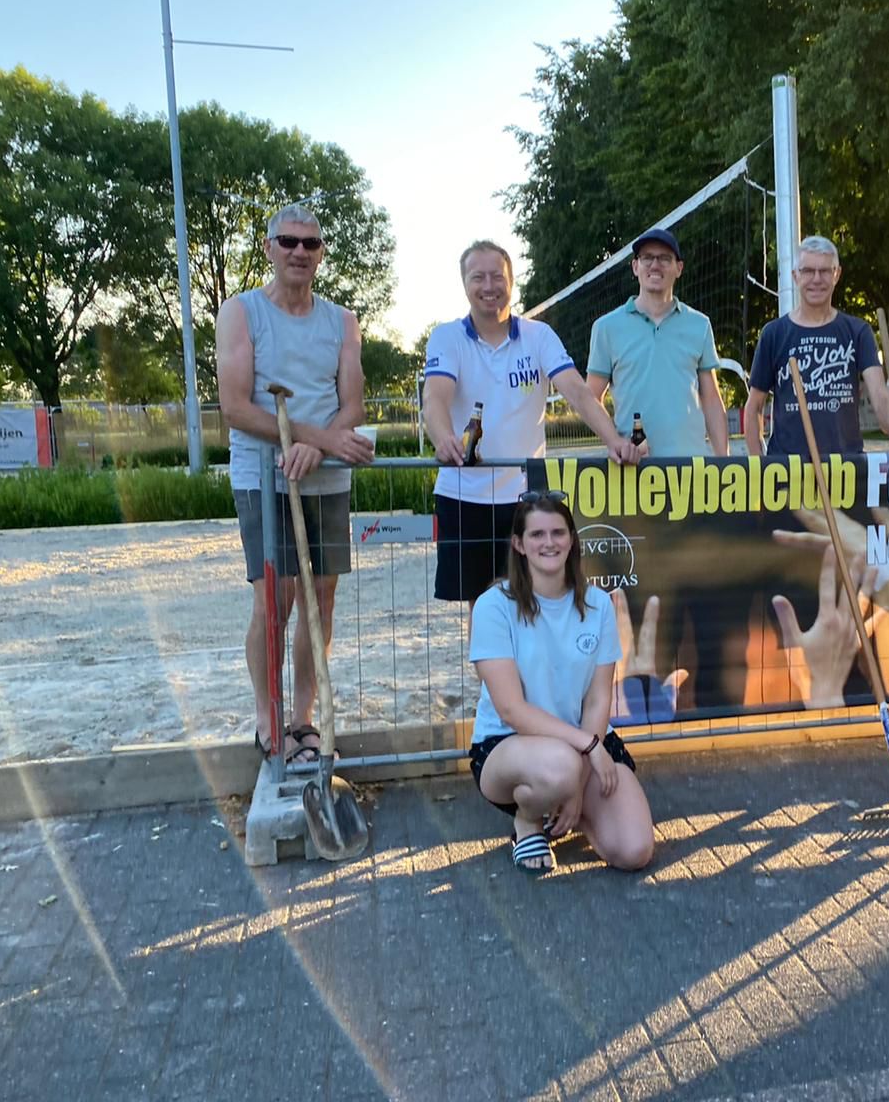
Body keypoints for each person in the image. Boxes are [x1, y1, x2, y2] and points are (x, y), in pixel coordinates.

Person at [216, 203, 375, 765]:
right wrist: (315, 439)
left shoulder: (342, 321)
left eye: (310, 244)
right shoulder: (241, 313)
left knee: (320, 598)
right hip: (265, 476)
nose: (299, 252)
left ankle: (303, 719)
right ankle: (269, 721)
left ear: (321, 253)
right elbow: (235, 407)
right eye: (288, 241)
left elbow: (353, 403)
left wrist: (320, 446)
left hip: (325, 478)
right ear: (269, 248)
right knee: (275, 598)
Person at [423, 240, 642, 603]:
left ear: (511, 281)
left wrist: (614, 439)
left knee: (533, 600)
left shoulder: (538, 335)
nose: (489, 286)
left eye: (497, 276)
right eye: (478, 277)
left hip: (525, 498)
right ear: (464, 283)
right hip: (464, 495)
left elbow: (577, 391)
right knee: (482, 606)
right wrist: (444, 438)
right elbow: (435, 397)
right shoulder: (446, 337)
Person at [467, 492, 655, 875]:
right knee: (560, 766)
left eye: (557, 532)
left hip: (584, 745)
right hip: (509, 746)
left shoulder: (599, 605)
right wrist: (586, 750)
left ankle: (572, 809)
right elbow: (511, 710)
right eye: (537, 534)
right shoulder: (493, 606)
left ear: (572, 540)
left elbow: (598, 700)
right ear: (519, 544)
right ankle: (528, 820)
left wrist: (582, 776)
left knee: (634, 850)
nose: (549, 542)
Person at [744, 236, 889, 461]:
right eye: (808, 271)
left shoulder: (858, 331)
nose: (817, 279)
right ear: (795, 276)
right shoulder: (774, 334)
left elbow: (879, 394)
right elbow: (754, 407)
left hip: (844, 466)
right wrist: (760, 466)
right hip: (788, 468)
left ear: (837, 274)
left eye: (825, 271)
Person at [585, 228, 731, 458]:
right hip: (634, 468)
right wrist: (616, 442)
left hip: (690, 466)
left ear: (679, 268)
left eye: (664, 258)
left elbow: (711, 399)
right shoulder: (606, 328)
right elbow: (590, 398)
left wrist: (725, 463)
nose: (655, 265)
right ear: (635, 267)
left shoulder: (700, 325)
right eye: (647, 258)